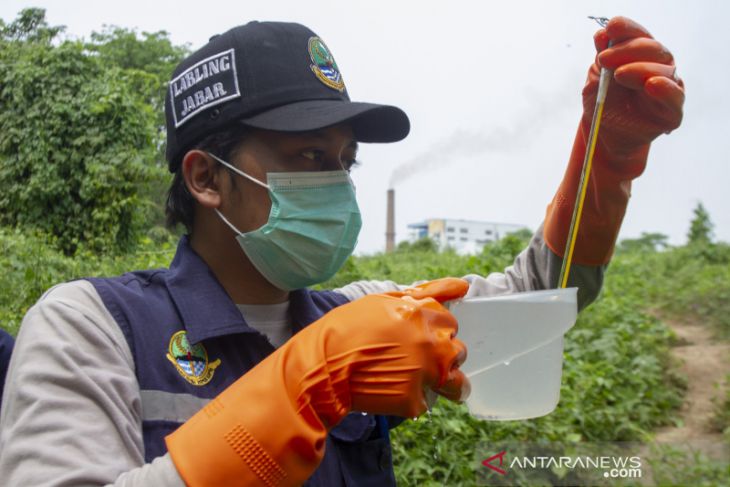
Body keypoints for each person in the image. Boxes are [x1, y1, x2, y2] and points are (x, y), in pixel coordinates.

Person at [0, 16, 683, 487]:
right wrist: (304, 385)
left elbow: (539, 296)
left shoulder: (362, 316)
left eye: (343, 162)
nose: (334, 182)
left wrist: (608, 160)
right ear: (206, 178)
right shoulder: (91, 326)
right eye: (307, 156)